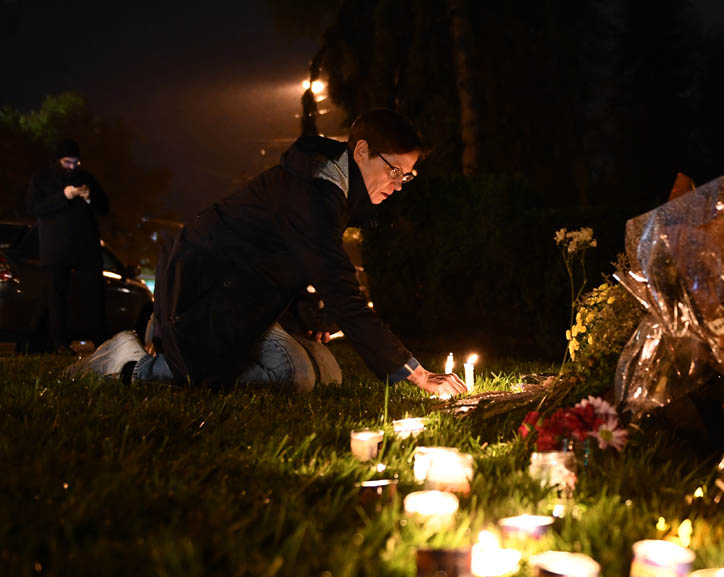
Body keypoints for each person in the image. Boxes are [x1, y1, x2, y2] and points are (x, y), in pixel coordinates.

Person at [73, 109, 467, 396]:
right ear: (361, 151)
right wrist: (416, 374)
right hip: (201, 298)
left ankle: (171, 348)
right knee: (292, 378)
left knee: (327, 372)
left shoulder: (332, 191)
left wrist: (310, 316)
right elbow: (339, 287)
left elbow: (288, 260)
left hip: (243, 302)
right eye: (395, 171)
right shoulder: (312, 193)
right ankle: (132, 364)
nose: (398, 185)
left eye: (408, 176)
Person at [26, 139, 109, 353]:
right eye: (67, 162)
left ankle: (100, 340)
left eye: (75, 162)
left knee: (94, 293)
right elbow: (34, 207)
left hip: (86, 246)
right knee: (56, 296)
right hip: (56, 247)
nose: (72, 167)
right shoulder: (41, 179)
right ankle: (59, 343)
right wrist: (64, 196)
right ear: (57, 160)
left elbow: (105, 207)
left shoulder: (86, 178)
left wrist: (90, 197)